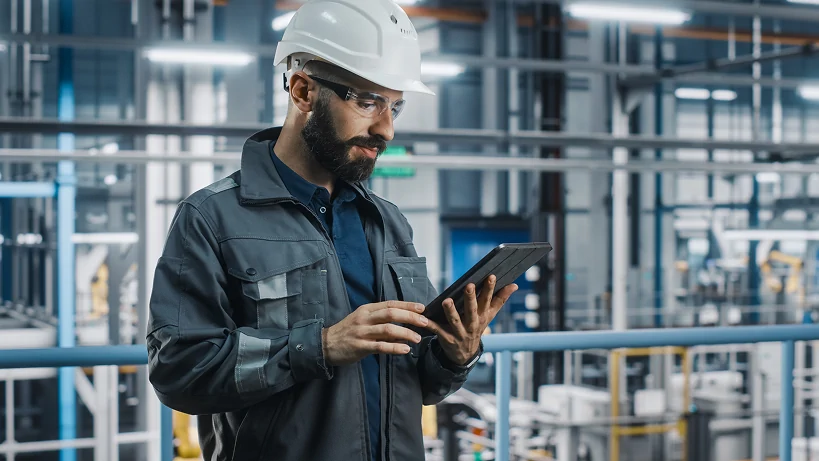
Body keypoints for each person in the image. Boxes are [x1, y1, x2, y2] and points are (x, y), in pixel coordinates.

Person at [145, 0, 518, 459]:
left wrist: (454, 354)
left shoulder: (387, 222)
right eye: (368, 102)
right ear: (303, 92)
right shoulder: (212, 219)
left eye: (395, 108)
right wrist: (320, 345)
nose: (386, 130)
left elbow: (418, 383)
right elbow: (179, 375)